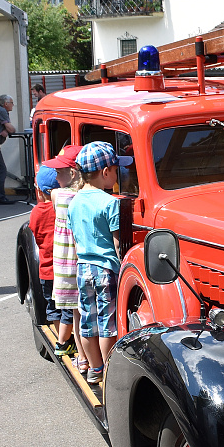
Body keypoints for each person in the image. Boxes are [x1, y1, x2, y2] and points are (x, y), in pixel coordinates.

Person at [67, 141, 132, 385]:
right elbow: (117, 244)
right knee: (108, 324)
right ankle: (111, 373)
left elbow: (75, 241)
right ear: (105, 172)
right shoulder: (109, 203)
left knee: (88, 321)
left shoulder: (74, 202)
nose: (117, 175)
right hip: (106, 270)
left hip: (83, 269)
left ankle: (95, 368)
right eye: (116, 170)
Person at [42, 145, 89, 373]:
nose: (55, 177)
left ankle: (82, 356)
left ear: (72, 173)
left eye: (59, 172)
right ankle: (89, 357)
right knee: (86, 313)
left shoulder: (57, 195)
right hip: (80, 260)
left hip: (66, 264)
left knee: (76, 313)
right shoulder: (79, 197)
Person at [29, 165, 76, 355]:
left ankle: (61, 337)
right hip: (62, 267)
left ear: (39, 190)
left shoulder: (36, 212)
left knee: (53, 306)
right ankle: (64, 342)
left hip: (45, 269)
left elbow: (36, 234)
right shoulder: (61, 208)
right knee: (68, 308)